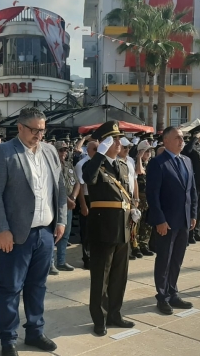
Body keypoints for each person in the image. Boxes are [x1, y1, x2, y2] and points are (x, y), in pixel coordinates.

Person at [0, 107, 66, 356]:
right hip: (14, 235)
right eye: (34, 130)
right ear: (19, 128)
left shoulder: (50, 151)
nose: (39, 135)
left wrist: (61, 221)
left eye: (42, 130)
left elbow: (60, 188)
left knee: (37, 286)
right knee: (10, 288)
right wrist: (2, 230)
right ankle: (8, 339)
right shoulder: (4, 152)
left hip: (44, 233)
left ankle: (35, 331)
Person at [82, 120, 135, 337]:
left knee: (119, 276)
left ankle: (115, 313)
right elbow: (88, 179)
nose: (118, 143)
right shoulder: (92, 164)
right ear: (103, 143)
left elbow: (126, 193)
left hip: (123, 226)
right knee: (100, 277)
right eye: (113, 139)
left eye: (118, 139)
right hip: (103, 228)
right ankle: (99, 318)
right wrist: (100, 154)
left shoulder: (122, 165)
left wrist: (132, 210)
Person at [146, 127, 197, 315]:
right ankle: (162, 297)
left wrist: (193, 214)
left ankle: (173, 292)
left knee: (177, 259)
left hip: (183, 220)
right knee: (164, 259)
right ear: (166, 140)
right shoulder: (158, 163)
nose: (181, 141)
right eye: (177, 138)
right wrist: (159, 219)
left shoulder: (187, 161)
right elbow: (153, 195)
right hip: (167, 221)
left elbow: (192, 191)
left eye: (182, 138)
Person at [53, 140, 80, 273]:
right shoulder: (52, 166)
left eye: (66, 150)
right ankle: (50, 263)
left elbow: (77, 183)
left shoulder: (69, 164)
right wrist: (67, 200)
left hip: (69, 204)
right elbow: (56, 187)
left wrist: (73, 198)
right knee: (54, 234)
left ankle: (61, 261)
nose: (64, 152)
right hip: (57, 204)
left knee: (65, 234)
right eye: (61, 150)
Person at [182, 126, 200, 243]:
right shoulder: (192, 146)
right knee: (192, 208)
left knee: (199, 209)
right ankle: (188, 234)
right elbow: (186, 151)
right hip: (194, 181)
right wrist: (193, 139)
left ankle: (195, 232)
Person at [75, 140, 98, 269]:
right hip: (87, 198)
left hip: (98, 199)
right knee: (87, 231)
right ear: (88, 150)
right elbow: (81, 186)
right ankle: (87, 258)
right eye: (94, 149)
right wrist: (83, 205)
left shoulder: (100, 162)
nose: (97, 152)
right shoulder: (82, 164)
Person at [119, 137, 142, 260]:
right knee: (124, 227)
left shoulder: (130, 161)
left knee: (132, 225)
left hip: (131, 198)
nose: (127, 149)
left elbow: (134, 180)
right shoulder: (114, 162)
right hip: (122, 199)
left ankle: (133, 248)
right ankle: (125, 252)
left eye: (128, 147)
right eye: (124, 147)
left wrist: (136, 198)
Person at [134, 140, 154, 256]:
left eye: (150, 151)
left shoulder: (150, 164)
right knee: (137, 223)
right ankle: (135, 246)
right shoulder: (135, 162)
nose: (149, 154)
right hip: (140, 198)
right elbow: (139, 171)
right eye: (146, 152)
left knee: (147, 224)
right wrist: (139, 158)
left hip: (148, 197)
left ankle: (144, 245)